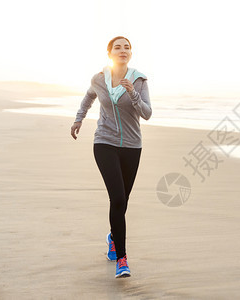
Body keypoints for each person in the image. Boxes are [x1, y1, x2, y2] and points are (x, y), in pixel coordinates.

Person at [70, 36, 152, 278]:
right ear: (110, 53)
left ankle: (112, 237)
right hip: (104, 143)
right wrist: (79, 118)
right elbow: (88, 96)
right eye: (118, 47)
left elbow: (147, 113)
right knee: (117, 198)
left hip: (132, 146)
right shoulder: (99, 78)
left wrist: (133, 94)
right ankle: (122, 259)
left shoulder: (139, 80)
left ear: (131, 53)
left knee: (123, 202)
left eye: (127, 47)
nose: (123, 51)